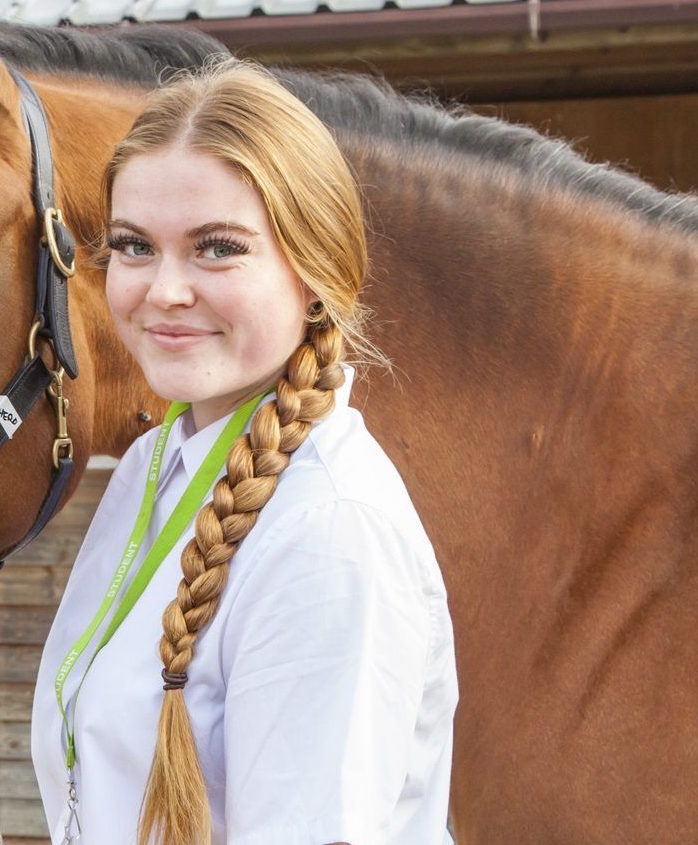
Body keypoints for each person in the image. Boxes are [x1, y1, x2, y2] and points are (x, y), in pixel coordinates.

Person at [30, 60, 457, 845]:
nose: (163, 291)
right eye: (133, 247)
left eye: (217, 248)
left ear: (317, 273)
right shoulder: (151, 466)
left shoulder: (329, 533)